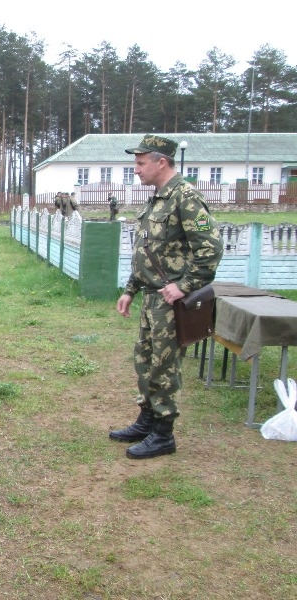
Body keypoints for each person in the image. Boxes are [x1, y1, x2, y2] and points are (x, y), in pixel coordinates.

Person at [112, 135, 223, 459]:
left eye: (141, 162)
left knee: (163, 365)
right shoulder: (158, 199)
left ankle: (164, 434)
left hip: (170, 301)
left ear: (162, 162)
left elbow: (210, 249)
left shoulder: (184, 197)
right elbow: (149, 252)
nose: (136, 169)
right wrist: (131, 289)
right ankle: (147, 420)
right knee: (145, 361)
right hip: (151, 298)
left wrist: (185, 285)